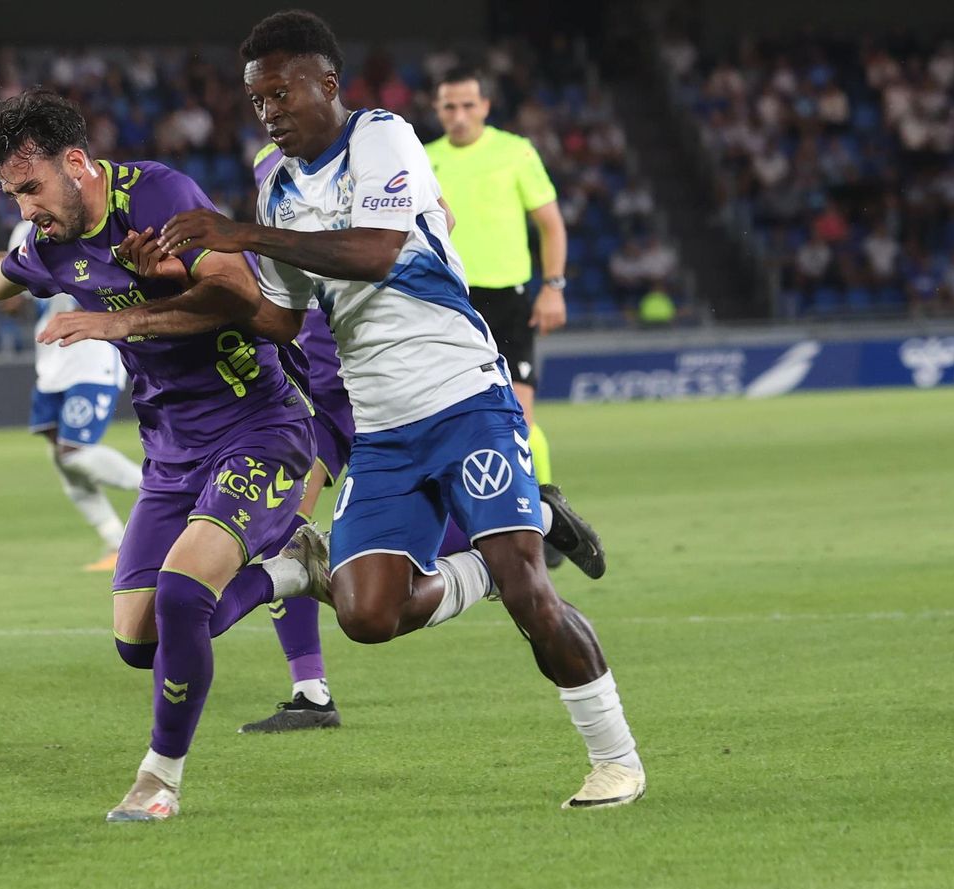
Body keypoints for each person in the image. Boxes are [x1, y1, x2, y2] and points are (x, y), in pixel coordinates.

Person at [71, 11, 637, 809]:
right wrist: (171, 280)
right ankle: (532, 527)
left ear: (326, 85)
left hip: (463, 396)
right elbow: (275, 316)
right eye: (255, 98)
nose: (267, 110)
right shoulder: (276, 184)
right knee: (369, 614)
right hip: (381, 426)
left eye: (280, 92)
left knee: (528, 595)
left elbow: (376, 251)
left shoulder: (382, 138)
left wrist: (243, 233)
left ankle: (615, 757)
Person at [0, 90, 317, 823]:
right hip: (170, 455)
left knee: (180, 595)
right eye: (13, 195)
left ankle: (158, 780)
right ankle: (294, 568)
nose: (25, 210)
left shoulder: (160, 195)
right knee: (139, 643)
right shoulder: (50, 242)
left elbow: (236, 292)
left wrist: (120, 318)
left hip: (255, 426)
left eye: (32, 189)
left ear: (76, 163)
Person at [427, 66, 566, 490]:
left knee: (518, 417)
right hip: (448, 300)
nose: (460, 115)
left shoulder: (516, 151)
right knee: (448, 419)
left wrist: (553, 287)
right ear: (438, 109)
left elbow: (551, 225)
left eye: (469, 105)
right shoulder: (422, 157)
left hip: (509, 298)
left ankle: (545, 514)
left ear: (485, 105)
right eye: (450, 106)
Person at [4, 219, 141, 572]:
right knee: (61, 455)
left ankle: (164, 491)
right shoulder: (23, 233)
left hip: (92, 355)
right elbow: (11, 297)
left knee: (74, 452)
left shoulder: (89, 217)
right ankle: (117, 542)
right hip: (52, 358)